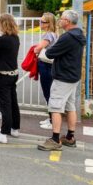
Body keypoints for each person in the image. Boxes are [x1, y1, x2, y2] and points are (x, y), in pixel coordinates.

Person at [38, 10, 86, 151]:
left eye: (62, 18)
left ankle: (55, 139)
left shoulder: (67, 37)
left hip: (63, 77)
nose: (59, 20)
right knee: (70, 106)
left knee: (55, 107)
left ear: (68, 21)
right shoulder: (79, 34)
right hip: (73, 76)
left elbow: (50, 53)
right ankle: (70, 137)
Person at [0, 14, 21, 144]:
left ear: (3, 24)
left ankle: (3, 133)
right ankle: (15, 128)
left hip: (2, 74)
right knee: (13, 102)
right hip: (13, 73)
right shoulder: (15, 38)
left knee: (4, 104)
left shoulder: (2, 39)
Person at [34, 12, 58, 130]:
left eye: (43, 21)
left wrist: (35, 49)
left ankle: (52, 121)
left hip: (46, 65)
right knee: (49, 92)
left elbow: (38, 48)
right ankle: (50, 118)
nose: (41, 23)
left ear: (49, 23)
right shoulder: (53, 34)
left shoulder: (48, 35)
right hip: (49, 65)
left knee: (48, 93)